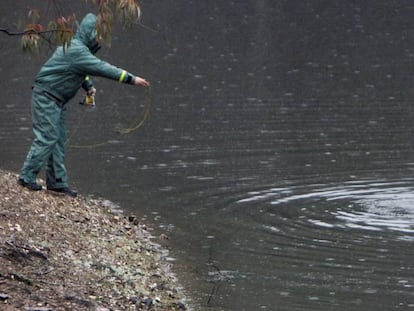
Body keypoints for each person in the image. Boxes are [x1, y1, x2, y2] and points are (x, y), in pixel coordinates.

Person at [18, 13, 150, 197]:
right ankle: (26, 176)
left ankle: (57, 183)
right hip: (46, 97)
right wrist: (131, 79)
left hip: (55, 100)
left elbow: (79, 70)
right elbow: (102, 68)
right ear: (90, 34)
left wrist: (88, 86)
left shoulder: (74, 47)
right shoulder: (77, 51)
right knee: (48, 137)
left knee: (58, 140)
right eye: (97, 35)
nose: (99, 39)